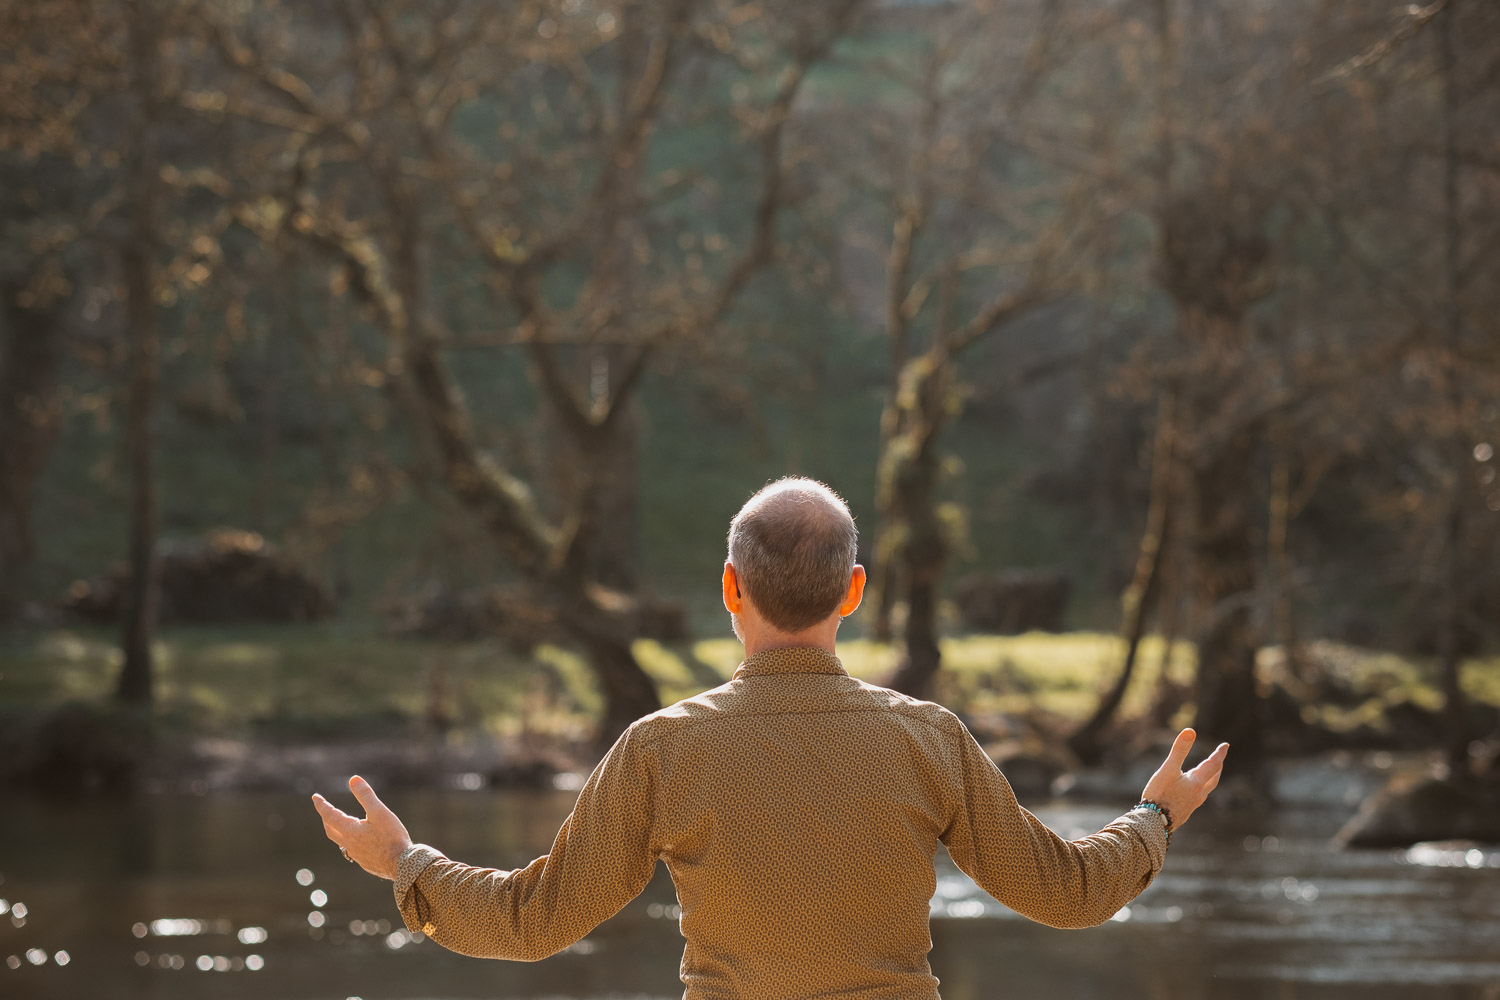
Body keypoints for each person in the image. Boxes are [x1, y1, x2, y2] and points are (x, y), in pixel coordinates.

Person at [312, 477, 1228, 998]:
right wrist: (1155, 813)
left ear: (729, 589)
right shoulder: (928, 739)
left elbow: (531, 922)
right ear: (855, 591)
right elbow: (1067, 895)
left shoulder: (662, 749)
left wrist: (405, 864)